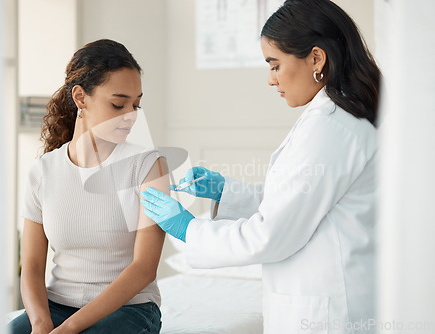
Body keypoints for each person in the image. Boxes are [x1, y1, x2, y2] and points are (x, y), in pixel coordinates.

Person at [141, 0, 380, 332]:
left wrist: (187, 229)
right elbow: (298, 204)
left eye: (275, 65)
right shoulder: (334, 119)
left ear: (316, 57)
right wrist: (226, 192)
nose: (271, 79)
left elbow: (270, 234)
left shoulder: (331, 127)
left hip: (328, 314)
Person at [9, 39, 168, 334]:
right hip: (58, 305)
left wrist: (70, 329)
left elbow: (145, 267)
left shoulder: (148, 165)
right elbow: (31, 265)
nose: (131, 115)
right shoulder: (43, 171)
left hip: (129, 309)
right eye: (118, 104)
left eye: (135, 104)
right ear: (81, 98)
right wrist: (41, 323)